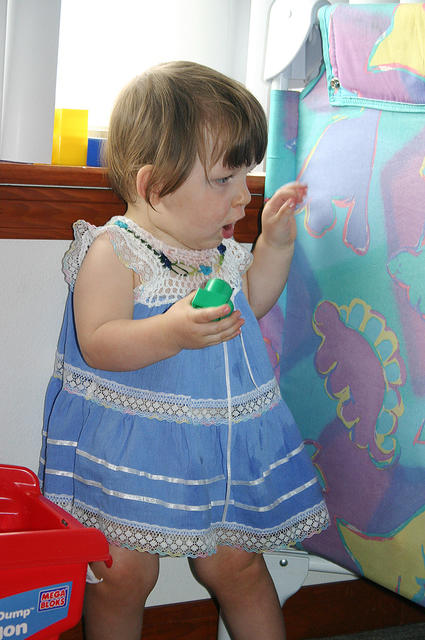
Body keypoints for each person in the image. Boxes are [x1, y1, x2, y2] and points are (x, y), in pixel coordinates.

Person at [39, 61, 329, 640]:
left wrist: (274, 244)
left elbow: (254, 303)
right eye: (223, 179)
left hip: (215, 450)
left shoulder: (219, 253)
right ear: (152, 184)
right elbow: (98, 342)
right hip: (130, 450)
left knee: (238, 564)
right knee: (121, 573)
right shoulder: (117, 251)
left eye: (246, 175)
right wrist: (169, 330)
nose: (242, 195)